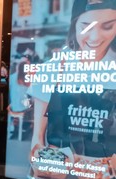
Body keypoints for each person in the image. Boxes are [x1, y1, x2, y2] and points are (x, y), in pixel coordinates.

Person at [29, 0, 116, 166]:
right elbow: (38, 140)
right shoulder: (53, 68)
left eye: (107, 26)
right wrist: (43, 163)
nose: (95, 37)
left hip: (107, 169)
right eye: (86, 26)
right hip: (59, 165)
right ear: (74, 25)